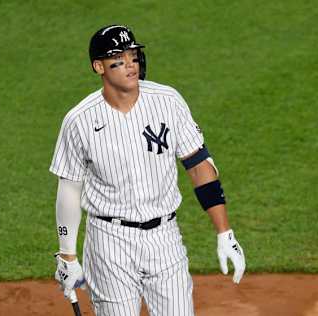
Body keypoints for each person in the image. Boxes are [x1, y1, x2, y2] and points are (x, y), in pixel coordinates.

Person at [50, 24, 246, 316]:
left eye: (133, 56)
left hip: (165, 237)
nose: (130, 65)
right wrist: (67, 254)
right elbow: (69, 189)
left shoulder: (167, 101)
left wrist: (224, 232)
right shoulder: (79, 120)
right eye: (118, 59)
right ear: (98, 67)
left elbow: (198, 166)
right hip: (109, 243)